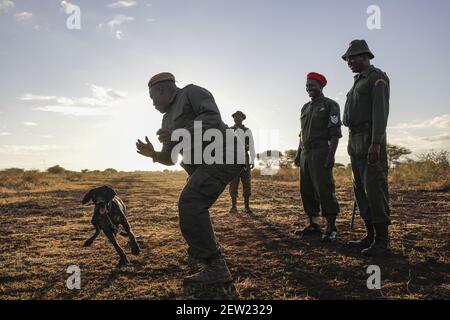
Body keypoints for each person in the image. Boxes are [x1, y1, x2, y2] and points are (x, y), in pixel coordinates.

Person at [136, 72, 244, 284]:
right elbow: (170, 158)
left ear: (162, 90)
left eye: (152, 98)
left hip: (224, 153)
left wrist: (180, 133)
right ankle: (204, 251)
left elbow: (212, 118)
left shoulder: (191, 93)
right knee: (193, 201)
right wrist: (154, 154)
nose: (153, 104)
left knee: (191, 201)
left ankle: (216, 267)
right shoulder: (166, 119)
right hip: (205, 164)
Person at [342, 40, 391, 256]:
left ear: (366, 56)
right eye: (347, 58)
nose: (350, 61)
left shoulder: (376, 77)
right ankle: (370, 236)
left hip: (371, 139)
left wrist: (376, 143)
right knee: (360, 191)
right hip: (355, 142)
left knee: (374, 189)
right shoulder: (356, 83)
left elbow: (380, 112)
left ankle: (382, 241)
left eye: (354, 57)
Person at [294, 72, 342, 242]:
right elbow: (301, 133)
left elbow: (335, 133)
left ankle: (331, 227)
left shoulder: (330, 105)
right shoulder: (305, 108)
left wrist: (331, 155)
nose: (309, 88)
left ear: (321, 86)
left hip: (321, 151)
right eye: (307, 85)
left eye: (312, 85)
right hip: (306, 154)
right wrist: (298, 154)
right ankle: (314, 225)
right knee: (306, 190)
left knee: (324, 189)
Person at [228, 111, 255, 214]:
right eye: (235, 117)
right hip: (232, 158)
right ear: (233, 119)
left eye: (239, 117)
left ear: (242, 119)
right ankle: (233, 206)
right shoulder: (229, 130)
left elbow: (251, 145)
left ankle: (247, 207)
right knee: (233, 183)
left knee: (246, 182)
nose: (236, 118)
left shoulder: (247, 130)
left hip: (245, 158)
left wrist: (252, 159)